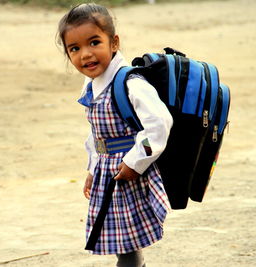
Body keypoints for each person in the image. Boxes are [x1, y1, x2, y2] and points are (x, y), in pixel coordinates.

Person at [57, 3, 172, 266]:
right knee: (123, 241)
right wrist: (92, 169)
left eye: (94, 42)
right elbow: (97, 133)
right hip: (109, 171)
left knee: (127, 243)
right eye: (74, 48)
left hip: (127, 171)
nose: (85, 54)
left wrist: (134, 163)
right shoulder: (92, 84)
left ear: (114, 43)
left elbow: (159, 123)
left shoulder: (130, 82)